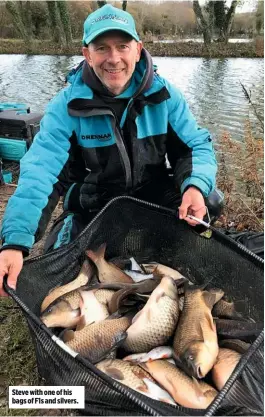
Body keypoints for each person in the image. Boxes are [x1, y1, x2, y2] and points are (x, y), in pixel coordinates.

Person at [0, 4, 220, 296]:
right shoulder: (67, 107)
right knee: (59, 259)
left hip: (150, 193)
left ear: (138, 50)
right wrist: (15, 242)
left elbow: (195, 146)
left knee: (211, 200)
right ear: (87, 54)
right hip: (94, 200)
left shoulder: (164, 96)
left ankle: (164, 247)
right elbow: (40, 173)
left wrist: (194, 187)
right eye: (102, 48)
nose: (113, 58)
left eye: (122, 46)